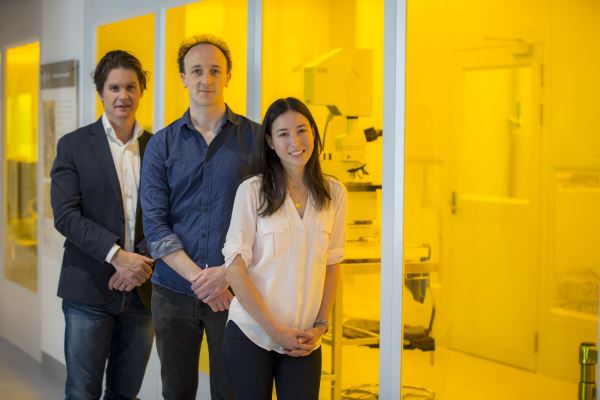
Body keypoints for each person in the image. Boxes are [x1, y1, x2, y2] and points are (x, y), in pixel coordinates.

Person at [140, 34, 259, 400]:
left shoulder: (255, 139)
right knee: (176, 391)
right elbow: (156, 226)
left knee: (233, 391)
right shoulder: (161, 144)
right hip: (173, 293)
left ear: (227, 77)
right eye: (196, 71)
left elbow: (266, 218)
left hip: (237, 292)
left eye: (214, 70)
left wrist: (226, 276)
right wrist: (202, 281)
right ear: (182, 78)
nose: (205, 79)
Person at [222, 97, 347, 400]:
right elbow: (235, 270)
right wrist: (275, 330)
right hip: (252, 333)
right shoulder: (252, 192)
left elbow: (332, 263)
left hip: (306, 340)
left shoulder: (334, 194)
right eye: (283, 134)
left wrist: (320, 324)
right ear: (270, 141)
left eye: (302, 130)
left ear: (314, 134)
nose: (296, 141)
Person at [50, 50, 154, 400]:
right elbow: (66, 215)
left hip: (143, 291)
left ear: (141, 91)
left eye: (130, 87)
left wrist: (137, 261)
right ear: (101, 92)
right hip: (88, 291)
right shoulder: (74, 146)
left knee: (127, 393)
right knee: (82, 392)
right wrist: (115, 255)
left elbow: (167, 216)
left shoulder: (157, 148)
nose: (122, 96)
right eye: (114, 88)